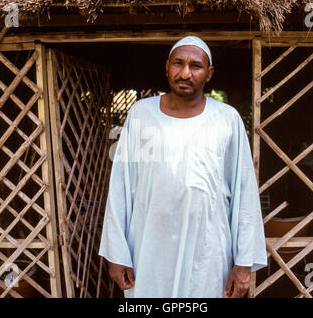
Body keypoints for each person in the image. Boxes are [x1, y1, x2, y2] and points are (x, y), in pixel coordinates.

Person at [99, 36, 267, 298]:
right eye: (178, 63)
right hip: (148, 250)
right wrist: (117, 253)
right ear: (167, 67)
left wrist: (243, 263)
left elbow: (244, 194)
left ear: (209, 74)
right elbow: (122, 185)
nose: (185, 73)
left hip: (208, 255)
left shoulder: (226, 119)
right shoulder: (142, 115)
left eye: (196, 66)